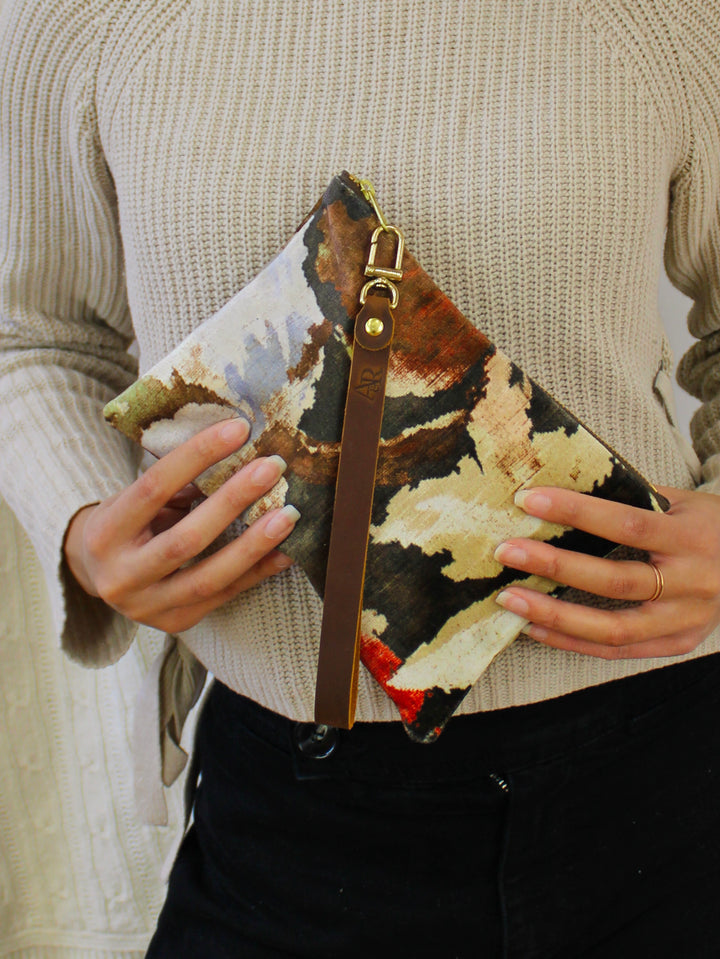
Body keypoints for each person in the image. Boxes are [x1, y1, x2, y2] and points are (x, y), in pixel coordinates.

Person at [2, 1, 720, 956]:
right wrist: (84, 524)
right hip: (283, 814)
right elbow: (34, 333)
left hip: (651, 775)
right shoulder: (85, 18)